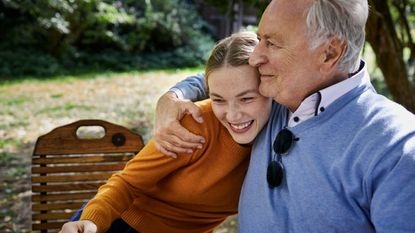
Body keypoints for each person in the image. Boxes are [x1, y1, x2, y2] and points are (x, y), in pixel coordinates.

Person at [153, 0, 415, 232]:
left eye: (272, 43)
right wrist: (172, 97)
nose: (255, 57)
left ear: (330, 53)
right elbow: (222, 77)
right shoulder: (271, 97)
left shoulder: (396, 147)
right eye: (259, 40)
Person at [58, 31, 272, 233]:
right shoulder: (195, 125)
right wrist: (91, 220)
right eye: (218, 100)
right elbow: (127, 183)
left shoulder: (281, 132)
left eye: (246, 98)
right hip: (121, 224)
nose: (233, 116)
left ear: (270, 88)